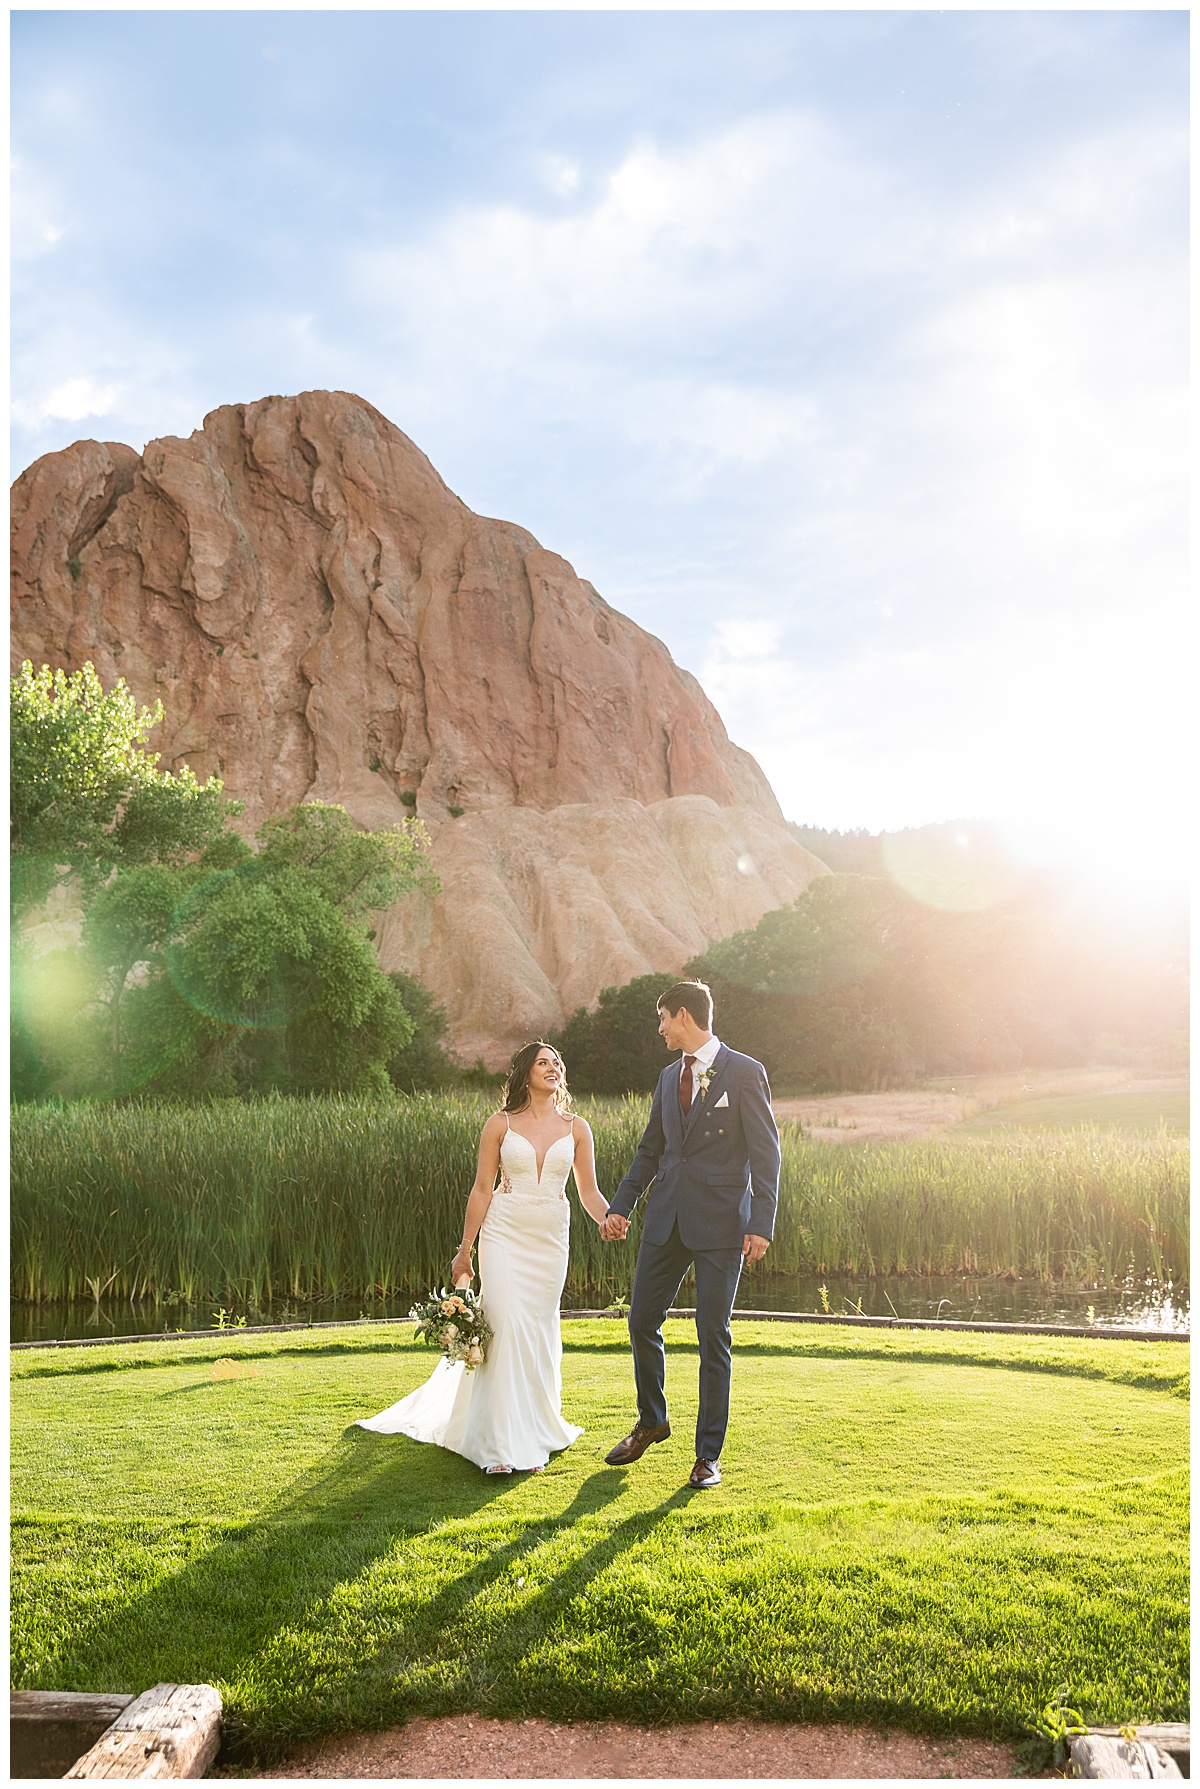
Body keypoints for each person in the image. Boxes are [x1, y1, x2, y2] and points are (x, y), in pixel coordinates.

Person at [357, 1041, 612, 1474]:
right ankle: (498, 1445)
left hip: (551, 1238)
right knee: (507, 1325)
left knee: (538, 1328)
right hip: (504, 1234)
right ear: (525, 1073)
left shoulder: (578, 1127)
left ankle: (535, 1430)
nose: (553, 1068)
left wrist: (610, 1219)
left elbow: (588, 1192)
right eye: (542, 1062)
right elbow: (481, 1189)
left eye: (557, 1063)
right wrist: (464, 1250)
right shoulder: (500, 1124)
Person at [599, 980, 780, 1489]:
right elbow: (650, 1149)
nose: (659, 1029)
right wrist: (621, 1205)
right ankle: (652, 1420)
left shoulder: (745, 1072)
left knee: (711, 1335)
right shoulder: (665, 1078)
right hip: (666, 1219)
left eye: (662, 1019)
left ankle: (707, 1456)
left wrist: (760, 1224)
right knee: (640, 1320)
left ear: (683, 1015)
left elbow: (767, 1155)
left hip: (723, 1222)